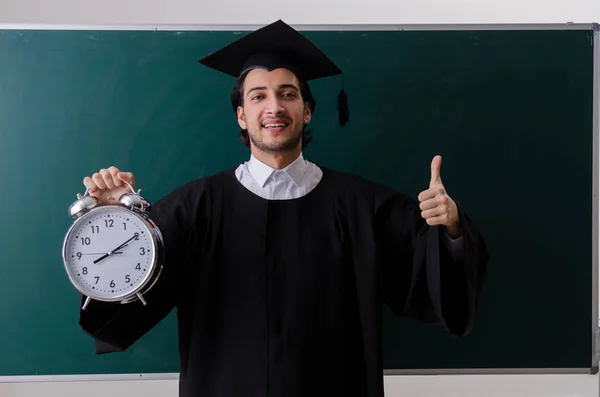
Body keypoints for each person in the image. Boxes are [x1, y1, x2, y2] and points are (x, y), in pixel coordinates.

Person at [79, 20, 489, 397]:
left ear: (307, 111)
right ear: (242, 116)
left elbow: (434, 284)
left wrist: (450, 226)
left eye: (288, 95)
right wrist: (117, 223)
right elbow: (132, 291)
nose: (273, 107)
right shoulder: (196, 207)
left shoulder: (363, 205)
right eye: (258, 96)